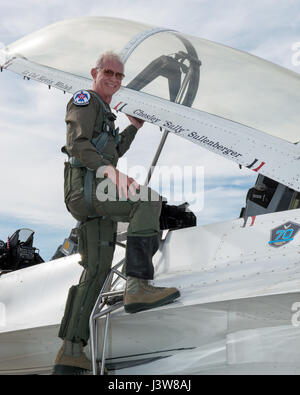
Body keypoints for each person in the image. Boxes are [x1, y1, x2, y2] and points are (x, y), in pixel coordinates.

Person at [52, 51, 180, 375]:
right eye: (109, 72)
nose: (114, 79)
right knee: (147, 201)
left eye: (119, 76)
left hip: (94, 197)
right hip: (86, 188)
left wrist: (132, 128)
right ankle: (137, 286)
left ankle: (70, 351)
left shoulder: (106, 114)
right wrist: (111, 172)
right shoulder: (85, 100)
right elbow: (78, 144)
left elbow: (113, 149)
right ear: (95, 71)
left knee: (96, 271)